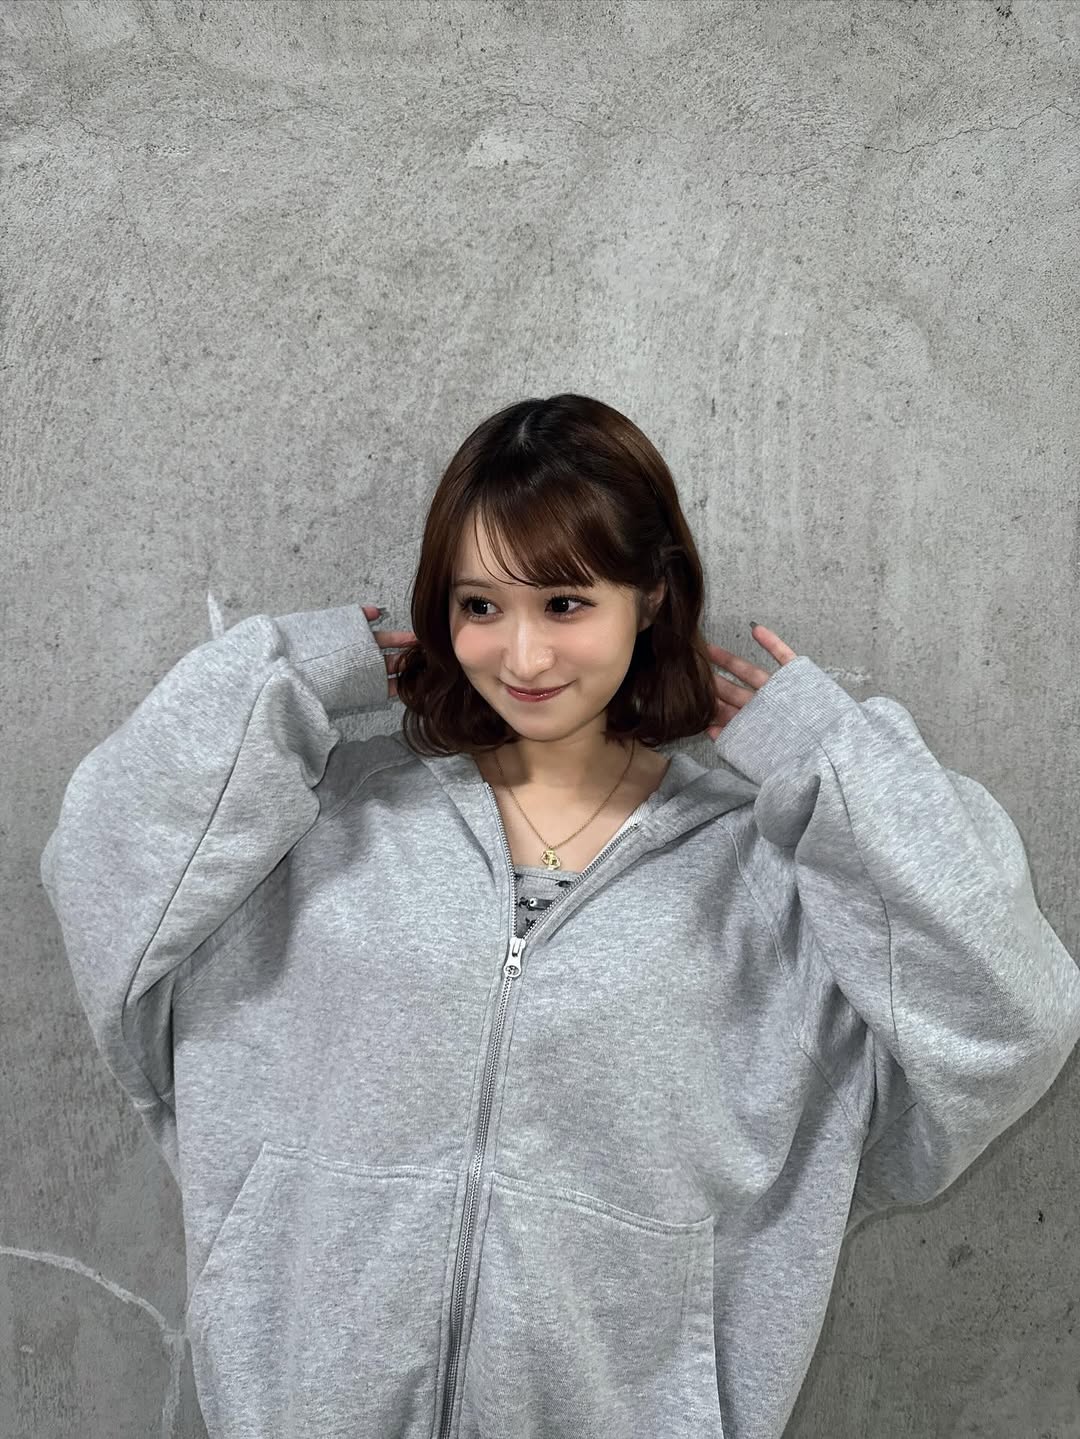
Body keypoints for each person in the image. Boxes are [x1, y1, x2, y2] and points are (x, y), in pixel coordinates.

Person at [39, 393, 1080, 1439]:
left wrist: (834, 770)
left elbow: (1009, 1021)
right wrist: (283, 680)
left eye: (566, 603)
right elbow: (101, 870)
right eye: (480, 605)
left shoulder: (770, 882)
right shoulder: (321, 827)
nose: (523, 656)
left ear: (652, 594)